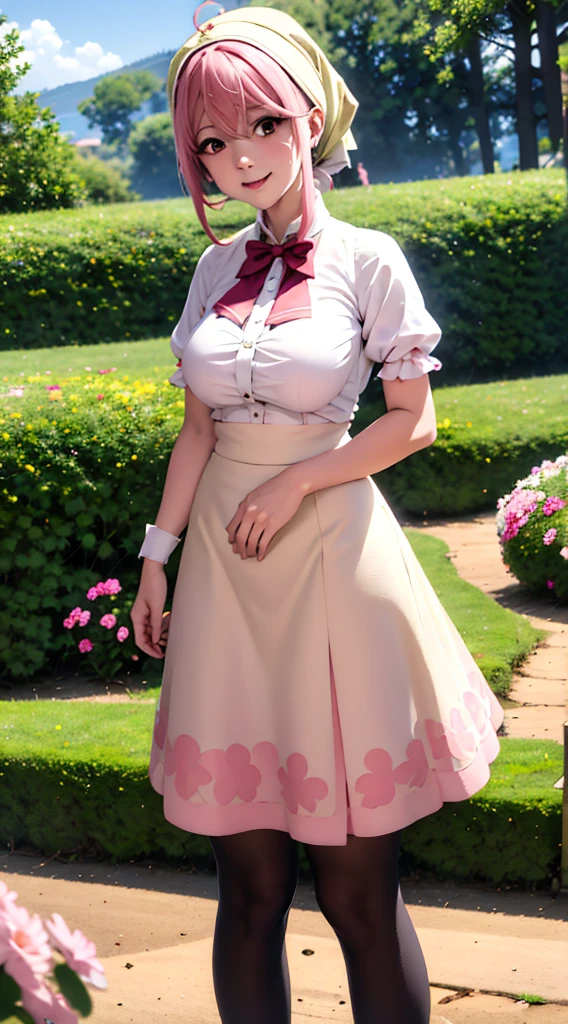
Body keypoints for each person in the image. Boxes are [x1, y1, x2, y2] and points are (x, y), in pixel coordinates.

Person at [130, 5, 504, 1022]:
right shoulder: (213, 270)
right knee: (246, 888)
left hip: (333, 563)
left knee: (355, 891)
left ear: (309, 121)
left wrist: (299, 479)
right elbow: (198, 430)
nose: (237, 158)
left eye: (260, 125)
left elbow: (411, 424)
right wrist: (156, 556)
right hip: (222, 574)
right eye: (212, 141)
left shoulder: (369, 259)